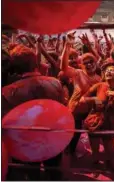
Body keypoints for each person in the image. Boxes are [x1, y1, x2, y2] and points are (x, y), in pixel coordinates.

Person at [2, 44, 65, 180]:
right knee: (54, 172)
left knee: (31, 175)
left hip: (25, 143)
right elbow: (62, 110)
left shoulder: (7, 92)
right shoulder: (56, 83)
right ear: (35, 62)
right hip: (52, 138)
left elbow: (6, 122)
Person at [79, 65, 114, 171]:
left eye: (112, 70)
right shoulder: (99, 85)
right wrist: (95, 100)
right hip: (94, 121)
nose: (108, 71)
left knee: (110, 149)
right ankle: (95, 164)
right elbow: (82, 99)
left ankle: (109, 164)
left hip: (111, 123)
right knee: (94, 149)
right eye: (107, 70)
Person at [60, 33, 101, 156]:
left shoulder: (99, 78)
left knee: (92, 134)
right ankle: (68, 156)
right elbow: (63, 67)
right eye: (85, 62)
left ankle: (94, 157)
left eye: (91, 62)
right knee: (73, 135)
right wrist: (67, 45)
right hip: (75, 109)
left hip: (89, 111)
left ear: (95, 63)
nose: (88, 64)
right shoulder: (78, 73)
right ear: (82, 64)